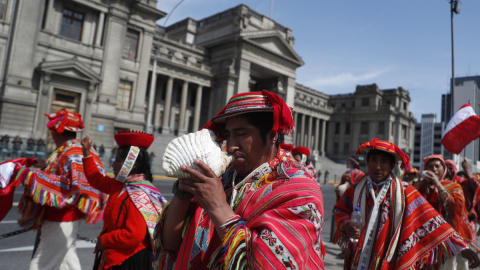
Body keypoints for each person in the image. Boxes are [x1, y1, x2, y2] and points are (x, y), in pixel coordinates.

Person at [155, 90, 325, 269]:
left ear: (272, 135)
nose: (231, 146)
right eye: (228, 135)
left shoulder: (301, 190)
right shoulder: (221, 178)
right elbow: (171, 244)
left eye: (242, 134)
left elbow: (270, 264)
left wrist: (217, 207)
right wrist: (183, 193)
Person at [333, 138, 480, 270]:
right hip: (357, 259)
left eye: (383, 162)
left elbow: (433, 221)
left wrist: (461, 248)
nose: (378, 166)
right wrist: (346, 223)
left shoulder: (405, 192)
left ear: (391, 165)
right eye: (374, 160)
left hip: (390, 260)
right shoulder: (356, 189)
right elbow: (340, 209)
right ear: (368, 162)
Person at [13, 109, 106, 270]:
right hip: (64, 218)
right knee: (67, 263)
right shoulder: (73, 148)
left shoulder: (72, 150)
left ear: (57, 132)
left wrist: (32, 175)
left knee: (41, 264)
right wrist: (44, 167)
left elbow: (72, 186)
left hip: (62, 218)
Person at [81, 130, 166, 270]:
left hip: (130, 261)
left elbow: (133, 235)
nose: (113, 165)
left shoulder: (139, 195)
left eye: (118, 161)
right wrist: (86, 153)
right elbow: (96, 179)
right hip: (114, 255)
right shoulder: (119, 185)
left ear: (131, 165)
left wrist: (105, 240)